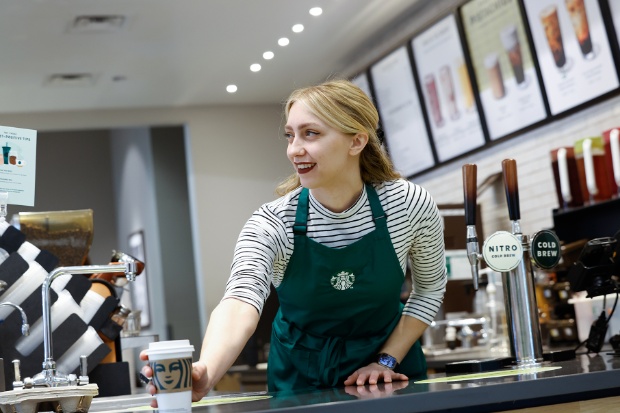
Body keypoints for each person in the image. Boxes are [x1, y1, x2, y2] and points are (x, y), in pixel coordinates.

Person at [140, 79, 446, 403]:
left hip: (388, 375)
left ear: (357, 141)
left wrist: (386, 359)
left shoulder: (407, 204)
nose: (294, 149)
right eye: (290, 135)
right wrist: (208, 370)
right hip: (302, 377)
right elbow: (240, 301)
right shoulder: (273, 222)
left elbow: (430, 288)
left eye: (310, 134)